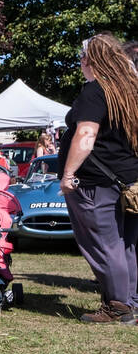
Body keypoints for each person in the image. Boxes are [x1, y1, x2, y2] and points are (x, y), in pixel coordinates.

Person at [58, 33, 138, 324]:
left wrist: (68, 174)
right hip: (128, 179)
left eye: (81, 58)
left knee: (105, 244)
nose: (80, 64)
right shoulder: (129, 90)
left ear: (90, 60)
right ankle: (130, 303)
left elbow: (86, 134)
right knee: (125, 244)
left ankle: (118, 307)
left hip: (96, 183)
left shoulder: (96, 91)